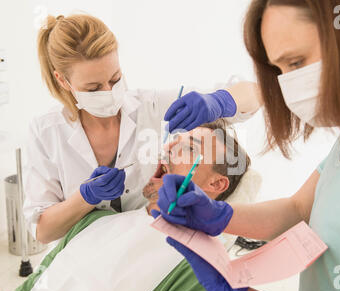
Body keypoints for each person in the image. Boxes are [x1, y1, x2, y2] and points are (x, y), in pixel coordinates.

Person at [155, 0, 340, 291]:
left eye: (296, 63)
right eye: (280, 70)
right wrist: (218, 215)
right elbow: (299, 210)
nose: (288, 85)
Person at [26, 13, 263, 244]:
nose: (109, 91)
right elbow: (42, 231)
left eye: (115, 78)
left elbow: (256, 93)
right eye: (93, 88)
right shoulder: (46, 131)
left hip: (143, 249)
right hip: (79, 259)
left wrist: (221, 101)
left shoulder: (153, 106)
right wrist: (85, 198)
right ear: (62, 80)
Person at [7, 122, 253, 291]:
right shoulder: (93, 220)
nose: (167, 149)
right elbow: (26, 290)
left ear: (216, 184)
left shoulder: (196, 273)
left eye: (189, 149)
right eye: (172, 141)